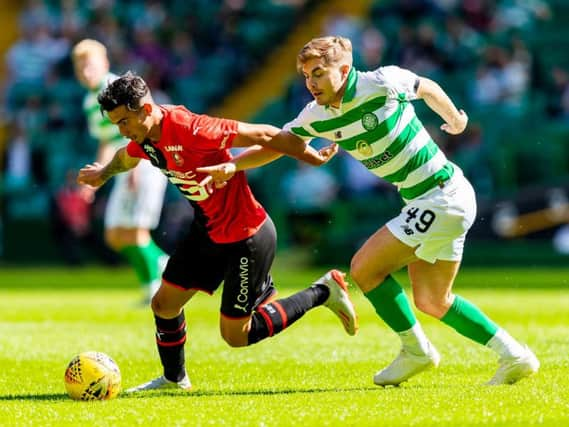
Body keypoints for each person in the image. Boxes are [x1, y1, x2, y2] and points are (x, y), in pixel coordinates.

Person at [198, 36, 539, 386]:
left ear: (344, 70)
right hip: (435, 198)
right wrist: (234, 167)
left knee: (364, 268)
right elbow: (282, 144)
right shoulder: (317, 114)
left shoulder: (381, 82)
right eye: (305, 75)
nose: (311, 82)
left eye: (318, 72)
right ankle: (514, 355)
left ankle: (417, 351)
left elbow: (427, 87)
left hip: (440, 195)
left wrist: (455, 120)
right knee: (433, 300)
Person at [76, 71, 358, 392]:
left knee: (236, 335)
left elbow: (264, 135)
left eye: (124, 121)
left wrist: (310, 156)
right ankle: (174, 379)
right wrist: (102, 173)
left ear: (146, 109)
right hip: (207, 229)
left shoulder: (191, 128)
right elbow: (126, 158)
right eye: (116, 125)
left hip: (246, 235)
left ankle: (323, 291)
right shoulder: (143, 139)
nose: (122, 131)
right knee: (163, 305)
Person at [72, 39, 169, 303]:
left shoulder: (116, 89)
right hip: (124, 165)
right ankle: (162, 266)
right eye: (80, 65)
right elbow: (108, 140)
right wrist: (99, 176)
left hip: (143, 162)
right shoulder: (90, 100)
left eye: (89, 63)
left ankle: (154, 287)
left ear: (105, 63)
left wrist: (137, 166)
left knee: (136, 231)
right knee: (115, 235)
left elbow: (142, 127)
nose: (85, 70)